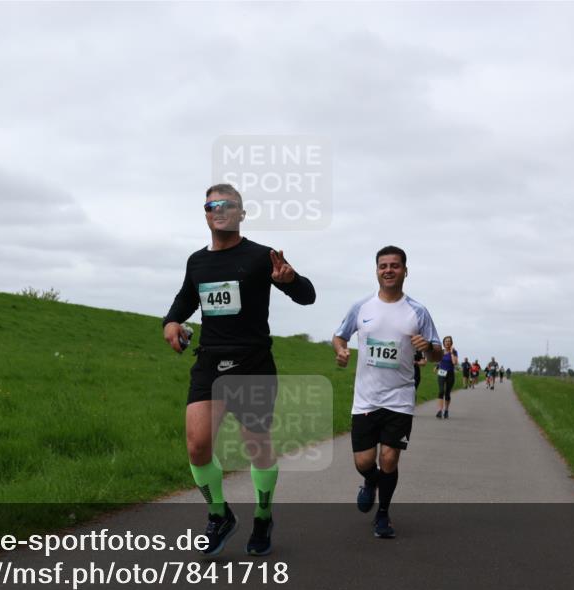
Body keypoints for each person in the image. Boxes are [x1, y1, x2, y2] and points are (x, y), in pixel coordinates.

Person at [163, 184, 316, 557]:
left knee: (256, 448)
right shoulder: (197, 262)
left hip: (252, 364)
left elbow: (307, 295)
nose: (221, 210)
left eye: (229, 205)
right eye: (213, 205)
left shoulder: (262, 256)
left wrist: (290, 280)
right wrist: (171, 324)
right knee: (198, 446)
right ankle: (220, 515)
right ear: (205, 213)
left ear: (241, 213)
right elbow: (185, 300)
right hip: (210, 362)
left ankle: (263, 516)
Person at [332, 246, 442, 539]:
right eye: (383, 266)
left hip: (400, 398)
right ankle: (370, 482)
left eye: (395, 265)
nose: (389, 270)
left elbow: (437, 353)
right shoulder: (362, 307)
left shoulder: (418, 311)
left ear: (405, 270)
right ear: (377, 271)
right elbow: (340, 335)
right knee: (364, 462)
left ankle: (383, 514)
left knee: (390, 459)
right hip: (366, 398)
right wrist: (341, 350)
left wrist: (428, 348)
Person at [435, 336, 459, 419]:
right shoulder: (441, 352)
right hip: (441, 373)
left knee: (447, 393)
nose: (447, 342)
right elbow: (439, 361)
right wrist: (437, 366)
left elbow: (454, 362)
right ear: (444, 343)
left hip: (450, 374)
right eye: (446, 341)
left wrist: (452, 352)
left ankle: (446, 411)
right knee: (441, 391)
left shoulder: (454, 352)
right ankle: (440, 411)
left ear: (451, 343)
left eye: (449, 341)